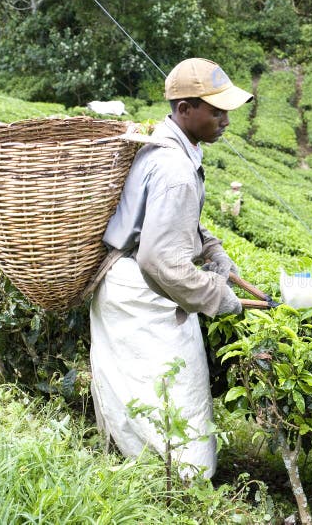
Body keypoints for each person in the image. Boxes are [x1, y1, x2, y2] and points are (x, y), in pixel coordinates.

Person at [89, 57, 253, 479]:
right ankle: (181, 488)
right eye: (216, 111)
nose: (225, 120)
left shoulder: (170, 147)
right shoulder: (175, 168)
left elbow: (168, 221)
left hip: (126, 283)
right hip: (143, 291)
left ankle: (144, 475)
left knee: (136, 392)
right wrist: (220, 296)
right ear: (185, 109)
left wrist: (211, 248)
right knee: (173, 393)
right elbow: (159, 259)